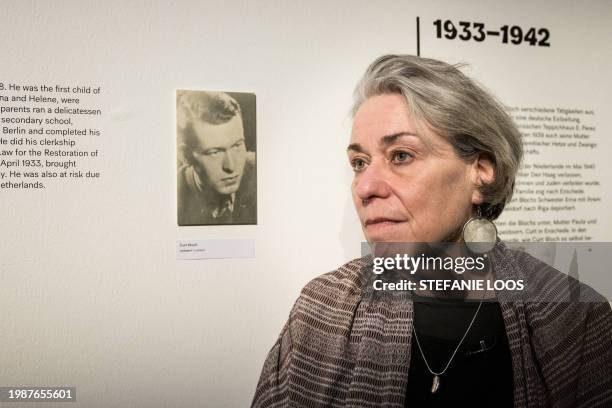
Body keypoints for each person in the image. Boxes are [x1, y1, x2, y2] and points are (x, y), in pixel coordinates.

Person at [252, 55, 611, 407]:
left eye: (401, 156)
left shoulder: (574, 319)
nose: (365, 188)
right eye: (359, 163)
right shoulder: (320, 310)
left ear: (481, 169)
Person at [177, 90, 256, 225]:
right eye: (214, 152)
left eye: (237, 145)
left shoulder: (263, 173)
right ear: (185, 155)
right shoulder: (175, 200)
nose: (231, 166)